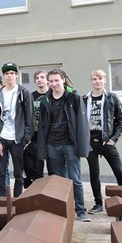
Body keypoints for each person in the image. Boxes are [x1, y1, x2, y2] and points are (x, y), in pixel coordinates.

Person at [37, 69, 91, 222]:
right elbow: (42, 126)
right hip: (52, 144)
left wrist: (82, 146)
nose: (54, 84)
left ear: (63, 80)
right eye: (51, 81)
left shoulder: (74, 97)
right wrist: (43, 150)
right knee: (58, 180)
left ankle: (81, 210)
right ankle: (63, 210)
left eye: (56, 80)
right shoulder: (45, 100)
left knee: (75, 178)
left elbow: (82, 123)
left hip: (70, 144)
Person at [83, 69, 122, 214]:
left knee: (119, 171)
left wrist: (113, 139)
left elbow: (121, 121)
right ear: (91, 81)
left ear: (105, 80)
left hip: (106, 141)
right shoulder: (85, 99)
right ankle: (98, 204)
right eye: (94, 79)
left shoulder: (112, 98)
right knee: (94, 173)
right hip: (91, 143)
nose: (97, 81)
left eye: (100, 79)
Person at [0, 62, 34, 197]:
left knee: (18, 174)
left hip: (18, 139)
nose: (9, 76)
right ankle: (2, 201)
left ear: (16, 75)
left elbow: (30, 118)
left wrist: (25, 139)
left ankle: (17, 200)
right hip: (2, 138)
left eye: (12, 73)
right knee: (0, 172)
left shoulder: (24, 93)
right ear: (4, 76)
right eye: (7, 73)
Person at [24, 69, 51, 187]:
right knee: (36, 170)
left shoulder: (52, 95)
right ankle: (37, 193)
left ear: (47, 80)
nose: (39, 80)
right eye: (37, 78)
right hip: (35, 138)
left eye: (42, 77)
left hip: (52, 138)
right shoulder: (31, 96)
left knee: (54, 170)